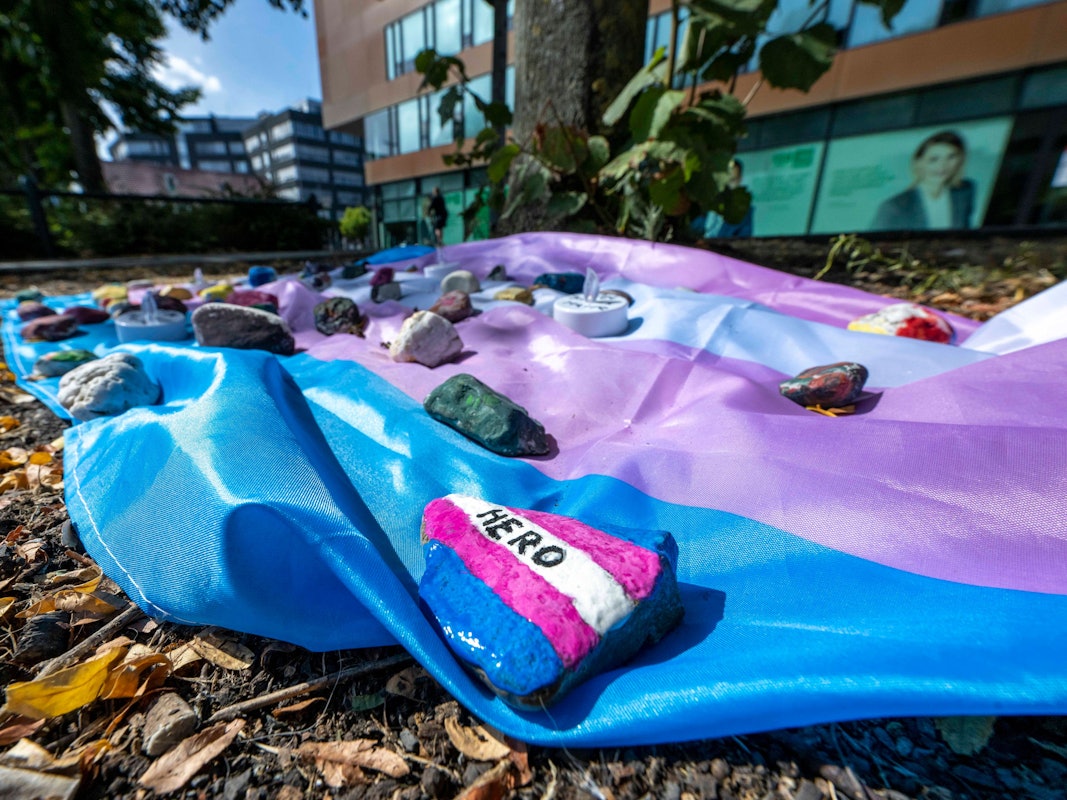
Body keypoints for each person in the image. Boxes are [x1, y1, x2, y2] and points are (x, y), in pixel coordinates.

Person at [872, 131, 976, 231]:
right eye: (934, 159)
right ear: (919, 163)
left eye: (951, 157)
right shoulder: (894, 207)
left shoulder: (965, 192)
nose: (943, 166)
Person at [693, 159, 754, 239]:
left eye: (732, 181)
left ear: (739, 180)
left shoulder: (744, 213)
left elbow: (743, 241)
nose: (726, 187)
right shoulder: (700, 203)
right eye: (724, 181)